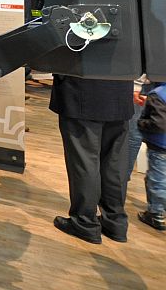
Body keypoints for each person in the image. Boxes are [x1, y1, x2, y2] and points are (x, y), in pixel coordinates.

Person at [51, 75, 134, 243]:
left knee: (84, 160)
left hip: (82, 89)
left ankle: (84, 222)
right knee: (114, 161)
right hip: (120, 90)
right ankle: (115, 221)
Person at [137, 80, 166, 231]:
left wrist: (141, 123)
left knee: (157, 180)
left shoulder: (158, 93)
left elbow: (158, 124)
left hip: (160, 146)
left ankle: (156, 214)